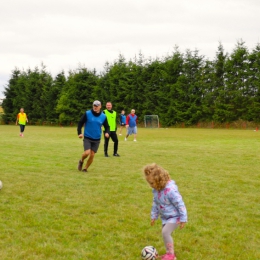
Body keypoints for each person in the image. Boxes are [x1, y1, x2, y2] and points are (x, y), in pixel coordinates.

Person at [143, 163, 187, 260]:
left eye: (152, 183)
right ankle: (169, 253)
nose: (150, 185)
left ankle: (171, 255)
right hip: (166, 217)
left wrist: (183, 219)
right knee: (165, 234)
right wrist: (153, 216)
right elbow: (155, 203)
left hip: (175, 217)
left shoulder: (170, 190)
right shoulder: (156, 190)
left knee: (165, 232)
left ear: (159, 180)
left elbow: (180, 204)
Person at [77, 100, 110, 172]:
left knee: (92, 155)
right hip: (87, 137)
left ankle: (85, 168)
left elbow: (107, 126)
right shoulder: (87, 113)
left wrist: (107, 132)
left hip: (97, 138)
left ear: (100, 106)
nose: (95, 107)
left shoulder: (103, 116)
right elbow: (80, 123)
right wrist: (79, 133)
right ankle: (81, 161)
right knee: (87, 152)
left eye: (97, 106)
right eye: (94, 106)